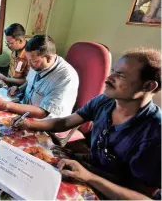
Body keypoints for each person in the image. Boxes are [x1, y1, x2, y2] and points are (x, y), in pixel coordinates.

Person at [12, 48, 161, 200]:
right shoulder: (105, 101)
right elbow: (65, 122)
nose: (109, 78)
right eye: (113, 71)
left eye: (120, 75)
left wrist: (89, 177)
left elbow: (144, 197)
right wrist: (29, 125)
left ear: (148, 86)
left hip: (114, 190)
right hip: (94, 168)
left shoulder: (155, 134)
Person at [0, 34, 79, 119]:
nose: (29, 64)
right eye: (28, 60)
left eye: (33, 61)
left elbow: (43, 113)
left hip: (45, 123)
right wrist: (19, 89)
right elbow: (30, 83)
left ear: (49, 57)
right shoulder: (37, 64)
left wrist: (5, 105)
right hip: (25, 109)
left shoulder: (65, 77)